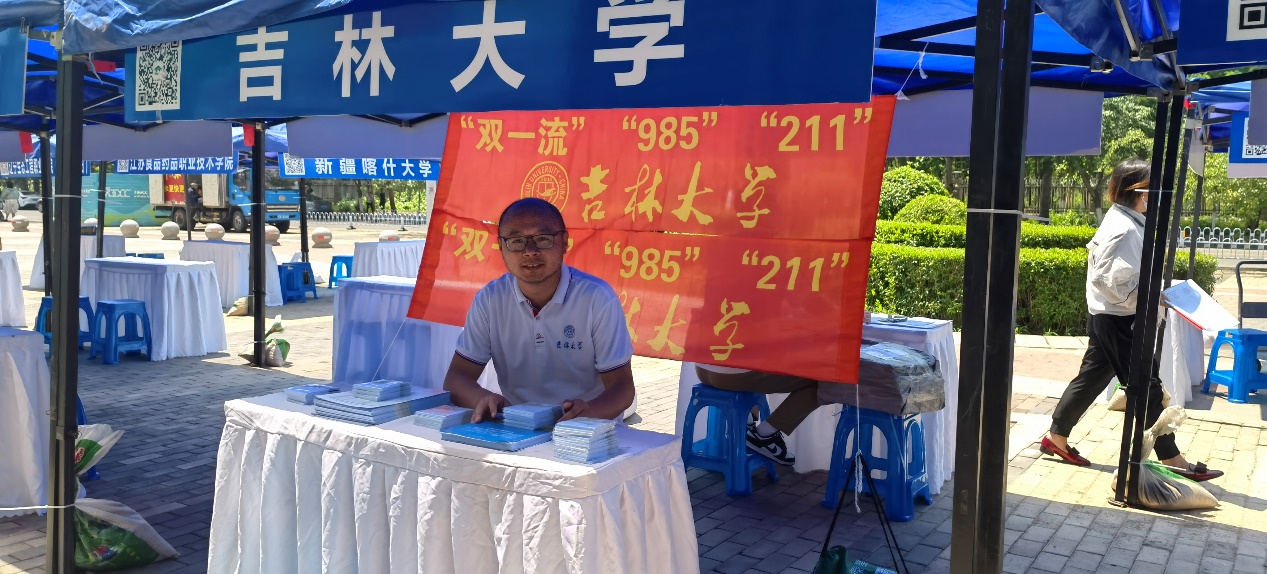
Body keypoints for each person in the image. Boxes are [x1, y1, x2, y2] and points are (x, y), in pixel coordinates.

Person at [1042, 159, 1222, 482]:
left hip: (1110, 317)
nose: (1158, 195)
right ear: (1141, 193)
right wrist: (1153, 296)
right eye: (1154, 189)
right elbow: (1110, 281)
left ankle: (1057, 436)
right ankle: (1172, 459)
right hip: (1121, 321)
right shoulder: (1124, 228)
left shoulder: (1124, 220)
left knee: (1092, 379)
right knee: (1146, 387)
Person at [442, 197, 636, 423]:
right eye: (516, 241)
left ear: (564, 241)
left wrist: (588, 413)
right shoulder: (490, 300)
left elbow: (622, 388)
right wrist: (482, 398)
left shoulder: (597, 298)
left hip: (589, 431)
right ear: (501, 247)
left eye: (543, 239)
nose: (530, 251)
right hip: (519, 428)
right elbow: (456, 378)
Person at [694, 365, 821, 466]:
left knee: (758, 356)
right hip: (734, 375)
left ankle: (746, 421)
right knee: (821, 382)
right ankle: (763, 435)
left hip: (702, 369)